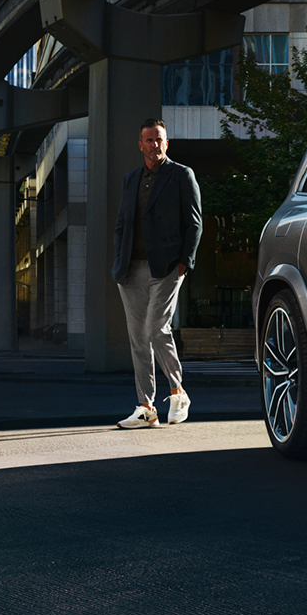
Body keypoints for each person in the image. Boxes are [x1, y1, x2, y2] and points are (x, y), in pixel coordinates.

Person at [111, 117, 202, 429]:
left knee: (155, 329)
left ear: (167, 142)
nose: (154, 145)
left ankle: (178, 392)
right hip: (130, 268)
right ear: (140, 145)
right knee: (138, 340)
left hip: (165, 268)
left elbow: (194, 223)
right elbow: (122, 223)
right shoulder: (130, 179)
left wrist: (183, 263)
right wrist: (118, 260)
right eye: (148, 140)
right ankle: (147, 407)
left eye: (159, 139)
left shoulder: (181, 175)